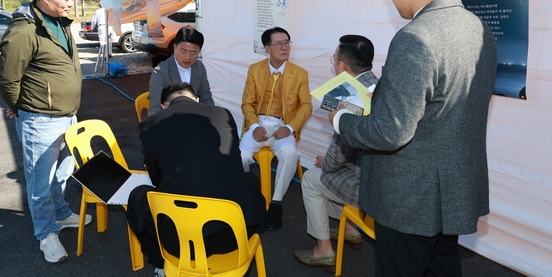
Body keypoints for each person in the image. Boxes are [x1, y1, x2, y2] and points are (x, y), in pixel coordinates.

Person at [330, 0, 498, 276]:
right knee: (442, 268)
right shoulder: (479, 28)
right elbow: (445, 103)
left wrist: (340, 120)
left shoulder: (414, 37)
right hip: (451, 192)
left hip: (409, 199)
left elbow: (389, 132)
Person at [0, 0, 92, 263]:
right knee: (40, 183)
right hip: (40, 120)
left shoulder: (60, 23)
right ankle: (46, 234)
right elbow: (6, 78)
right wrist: (20, 106)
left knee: (63, 173)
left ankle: (61, 213)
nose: (70, 3)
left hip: (67, 116)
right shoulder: (24, 30)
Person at [126, 82, 266, 277]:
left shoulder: (151, 124)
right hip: (235, 236)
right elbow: (232, 158)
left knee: (137, 197)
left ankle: (160, 265)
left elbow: (156, 178)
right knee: (249, 177)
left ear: (164, 106)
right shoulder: (224, 114)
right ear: (197, 99)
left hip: (182, 243)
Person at [294, 35, 378, 268]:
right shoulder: (379, 86)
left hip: (366, 185)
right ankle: (351, 229)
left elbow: (341, 148)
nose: (334, 64)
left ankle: (323, 250)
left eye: (334, 59)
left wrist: (325, 162)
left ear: (342, 66)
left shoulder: (352, 98)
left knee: (311, 178)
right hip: (377, 174)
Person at [240, 27, 313, 230]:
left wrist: (289, 127)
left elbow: (307, 105)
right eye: (279, 43)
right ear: (267, 48)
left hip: (283, 124)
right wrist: (254, 126)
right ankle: (247, 196)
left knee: (290, 152)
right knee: (242, 155)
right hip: (259, 123)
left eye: (287, 42)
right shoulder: (255, 70)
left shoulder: (299, 74)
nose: (284, 47)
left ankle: (276, 202)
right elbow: (247, 103)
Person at [148, 26, 213, 115]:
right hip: (170, 120)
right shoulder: (160, 72)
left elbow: (206, 98)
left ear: (199, 52)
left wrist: (212, 119)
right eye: (183, 51)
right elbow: (155, 108)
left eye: (193, 53)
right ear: (175, 48)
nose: (187, 57)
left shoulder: (199, 68)